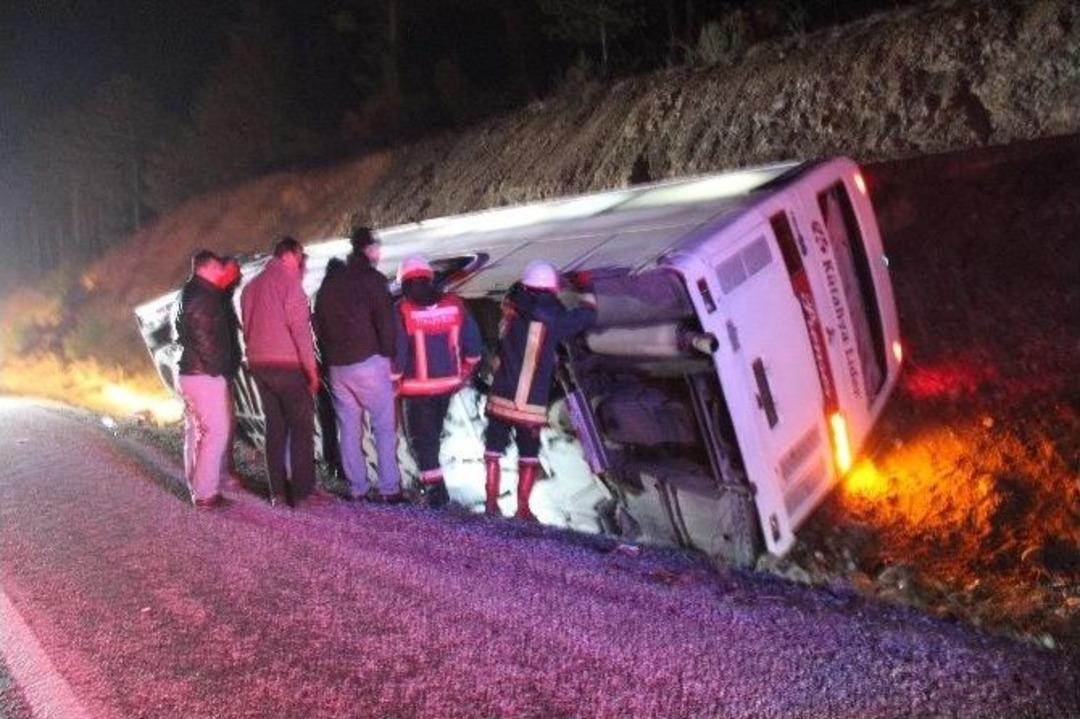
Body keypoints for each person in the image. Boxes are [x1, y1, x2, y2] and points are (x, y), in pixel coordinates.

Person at [483, 260, 596, 520]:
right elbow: (589, 314)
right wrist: (585, 286)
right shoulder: (553, 317)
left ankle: (491, 505)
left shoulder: (511, 305)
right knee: (529, 454)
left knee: (493, 449)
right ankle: (523, 509)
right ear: (551, 289)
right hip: (530, 403)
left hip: (501, 396)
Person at [313, 227, 403, 503]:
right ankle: (390, 488)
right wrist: (390, 357)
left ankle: (357, 488)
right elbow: (386, 322)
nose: (379, 253)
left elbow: (319, 327)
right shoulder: (372, 280)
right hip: (370, 362)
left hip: (338, 368)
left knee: (349, 430)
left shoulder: (326, 288)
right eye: (376, 248)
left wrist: (331, 360)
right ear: (368, 250)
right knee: (384, 429)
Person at [392, 256, 482, 507]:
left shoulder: (403, 310)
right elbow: (474, 345)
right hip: (447, 387)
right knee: (431, 438)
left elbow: (398, 353)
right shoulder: (455, 305)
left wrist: (393, 380)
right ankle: (435, 489)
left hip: (415, 390)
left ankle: (436, 496)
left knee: (420, 444)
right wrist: (466, 371)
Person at [240, 236, 321, 507]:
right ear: (290, 255)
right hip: (287, 365)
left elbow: (247, 326)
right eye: (299, 257)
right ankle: (302, 492)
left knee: (274, 428)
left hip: (260, 366)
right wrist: (311, 370)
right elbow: (301, 332)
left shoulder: (250, 288)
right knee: (301, 427)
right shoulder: (291, 285)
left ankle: (277, 492)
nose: (301, 262)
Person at [175, 250, 239, 509]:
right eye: (218, 268)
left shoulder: (189, 292)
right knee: (216, 432)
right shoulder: (204, 297)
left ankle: (198, 485)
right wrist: (218, 369)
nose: (222, 273)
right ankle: (205, 494)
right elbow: (205, 338)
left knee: (199, 432)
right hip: (203, 374)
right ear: (208, 268)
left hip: (191, 371)